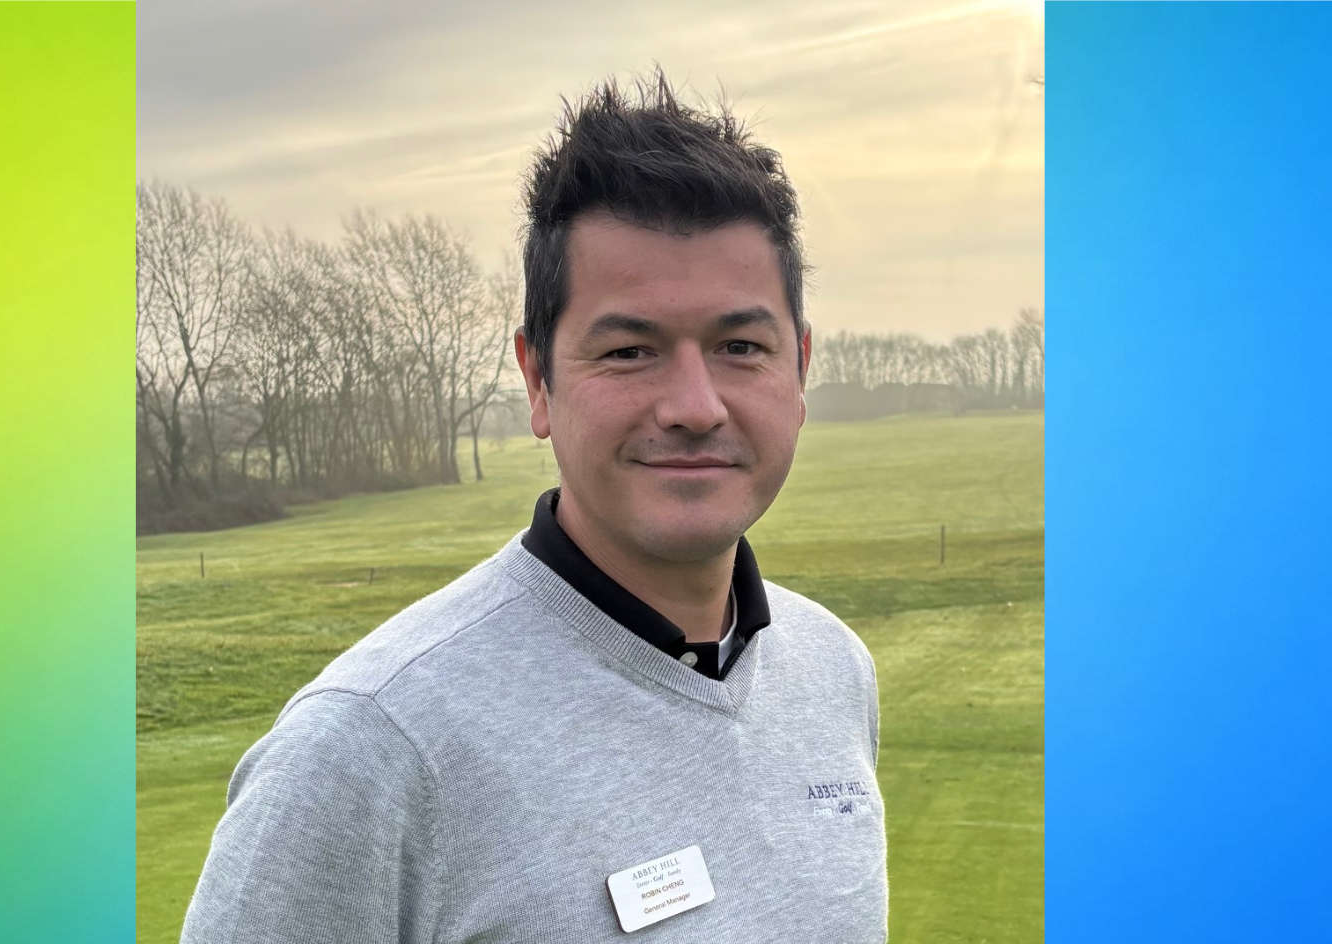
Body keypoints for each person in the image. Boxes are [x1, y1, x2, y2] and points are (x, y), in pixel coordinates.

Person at [180, 69, 886, 943]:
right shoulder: (368, 749)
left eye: (740, 346)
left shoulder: (833, 671)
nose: (695, 406)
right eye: (628, 351)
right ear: (537, 379)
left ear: (801, 368)